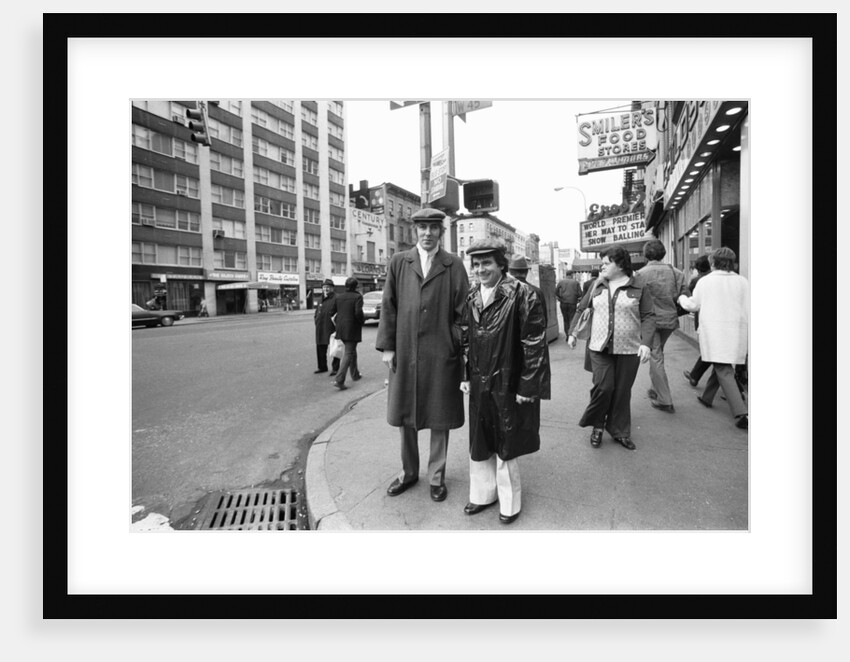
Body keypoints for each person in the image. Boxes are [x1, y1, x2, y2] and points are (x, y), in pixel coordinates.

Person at [376, 207, 469, 503]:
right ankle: (408, 473)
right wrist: (388, 347)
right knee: (406, 415)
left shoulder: (453, 264)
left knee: (439, 416)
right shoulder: (399, 262)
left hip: (442, 352)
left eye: (433, 228)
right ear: (415, 231)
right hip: (405, 350)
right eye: (422, 228)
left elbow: (463, 312)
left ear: (441, 231)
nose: (427, 233)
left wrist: (455, 344)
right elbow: (388, 305)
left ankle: (437, 477)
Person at [460, 238, 550, 524]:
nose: (480, 269)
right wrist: (466, 376)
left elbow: (534, 343)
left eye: (486, 263)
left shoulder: (524, 295)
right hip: (479, 380)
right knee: (481, 439)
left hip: (508, 381)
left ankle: (509, 503)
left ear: (501, 264)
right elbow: (466, 340)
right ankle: (482, 495)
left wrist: (528, 386)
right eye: (476, 264)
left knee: (506, 443)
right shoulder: (472, 296)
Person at [567, 244, 655, 451]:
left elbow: (649, 316)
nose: (602, 266)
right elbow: (582, 309)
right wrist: (572, 332)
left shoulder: (640, 286)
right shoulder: (597, 285)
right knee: (603, 387)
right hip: (599, 347)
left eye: (607, 263)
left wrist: (646, 343)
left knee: (622, 391)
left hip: (628, 348)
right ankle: (597, 426)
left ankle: (620, 431)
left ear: (621, 265)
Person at [677, 247, 749, 429]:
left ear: (713, 262)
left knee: (723, 368)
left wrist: (681, 298)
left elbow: (693, 305)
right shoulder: (742, 281)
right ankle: (707, 397)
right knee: (723, 363)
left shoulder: (705, 281)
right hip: (737, 329)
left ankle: (741, 413)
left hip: (715, 330)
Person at [636, 239, 690, 413]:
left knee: (655, 357)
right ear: (664, 253)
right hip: (669, 320)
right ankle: (655, 389)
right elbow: (685, 296)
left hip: (649, 322)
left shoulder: (639, 275)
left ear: (646, 255)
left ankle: (665, 400)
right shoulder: (677, 273)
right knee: (657, 354)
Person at [332, 276, 365, 391]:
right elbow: (358, 312)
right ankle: (339, 380)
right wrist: (362, 321)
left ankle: (355, 374)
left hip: (341, 327)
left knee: (351, 351)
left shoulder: (339, 297)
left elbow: (333, 311)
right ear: (356, 286)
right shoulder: (357, 297)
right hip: (352, 327)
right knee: (349, 353)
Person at [683, 254, 711, 387]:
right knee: (710, 351)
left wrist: (680, 300)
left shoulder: (697, 281)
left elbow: (690, 301)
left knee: (709, 351)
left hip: (703, 318)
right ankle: (695, 375)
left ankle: (695, 375)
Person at [508, 255, 547, 325]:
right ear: (526, 272)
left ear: (510, 272)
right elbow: (544, 320)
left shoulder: (504, 292)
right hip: (533, 334)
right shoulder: (537, 292)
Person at [313, 279, 340, 375]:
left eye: (328, 287)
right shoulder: (321, 298)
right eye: (324, 287)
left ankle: (335, 368)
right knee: (320, 347)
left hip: (332, 327)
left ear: (332, 288)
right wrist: (316, 320)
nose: (326, 289)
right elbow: (317, 312)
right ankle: (322, 367)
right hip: (320, 327)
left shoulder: (337, 298)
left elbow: (339, 313)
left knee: (335, 348)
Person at [555, 270, 582, 340]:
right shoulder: (576, 282)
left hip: (563, 303)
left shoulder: (561, 282)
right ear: (572, 275)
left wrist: (560, 298)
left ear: (566, 274)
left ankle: (567, 335)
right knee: (571, 319)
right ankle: (570, 335)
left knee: (565, 319)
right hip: (572, 303)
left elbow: (556, 292)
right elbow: (580, 294)